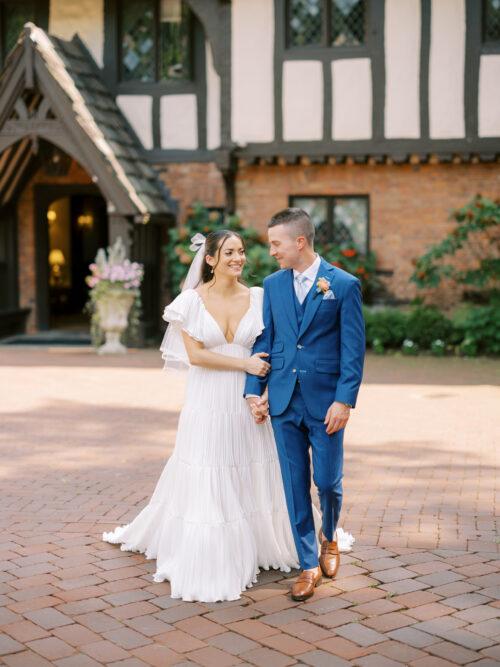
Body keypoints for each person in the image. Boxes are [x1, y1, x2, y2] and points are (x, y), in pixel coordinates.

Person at [102, 230, 299, 602]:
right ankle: (213, 551)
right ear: (209, 259)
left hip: (247, 398)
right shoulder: (190, 302)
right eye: (229, 252)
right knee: (211, 466)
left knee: (251, 464)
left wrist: (262, 393)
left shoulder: (259, 297)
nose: (238, 258)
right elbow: (196, 356)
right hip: (207, 399)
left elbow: (270, 349)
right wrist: (244, 363)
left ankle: (258, 541)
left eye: (241, 251)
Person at [245, 208, 365, 602]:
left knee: (328, 483)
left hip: (326, 403)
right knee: (294, 486)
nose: (271, 252)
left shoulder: (343, 285)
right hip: (282, 401)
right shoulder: (273, 285)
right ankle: (308, 563)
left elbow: (353, 349)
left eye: (276, 244)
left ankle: (330, 535)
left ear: (300, 242)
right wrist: (254, 388)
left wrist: (344, 399)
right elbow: (267, 342)